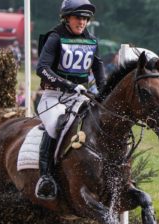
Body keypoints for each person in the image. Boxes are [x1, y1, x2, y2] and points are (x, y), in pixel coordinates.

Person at [35, 0, 105, 200]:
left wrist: (104, 97)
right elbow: (41, 69)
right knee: (57, 124)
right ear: (66, 18)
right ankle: (45, 177)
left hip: (80, 97)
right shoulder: (55, 38)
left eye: (85, 18)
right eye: (77, 17)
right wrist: (68, 85)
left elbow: (100, 76)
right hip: (54, 97)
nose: (82, 22)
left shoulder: (92, 42)